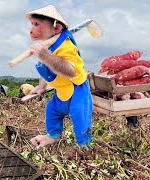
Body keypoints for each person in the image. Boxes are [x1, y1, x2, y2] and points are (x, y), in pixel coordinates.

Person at [26, 5, 93, 148]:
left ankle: (84, 146)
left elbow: (70, 70)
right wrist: (41, 87)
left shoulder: (66, 45)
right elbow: (48, 71)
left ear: (56, 28)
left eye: (37, 24)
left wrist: (45, 56)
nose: (31, 29)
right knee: (52, 109)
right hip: (61, 93)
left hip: (77, 91)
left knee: (80, 117)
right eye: (32, 24)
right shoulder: (50, 46)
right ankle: (53, 136)